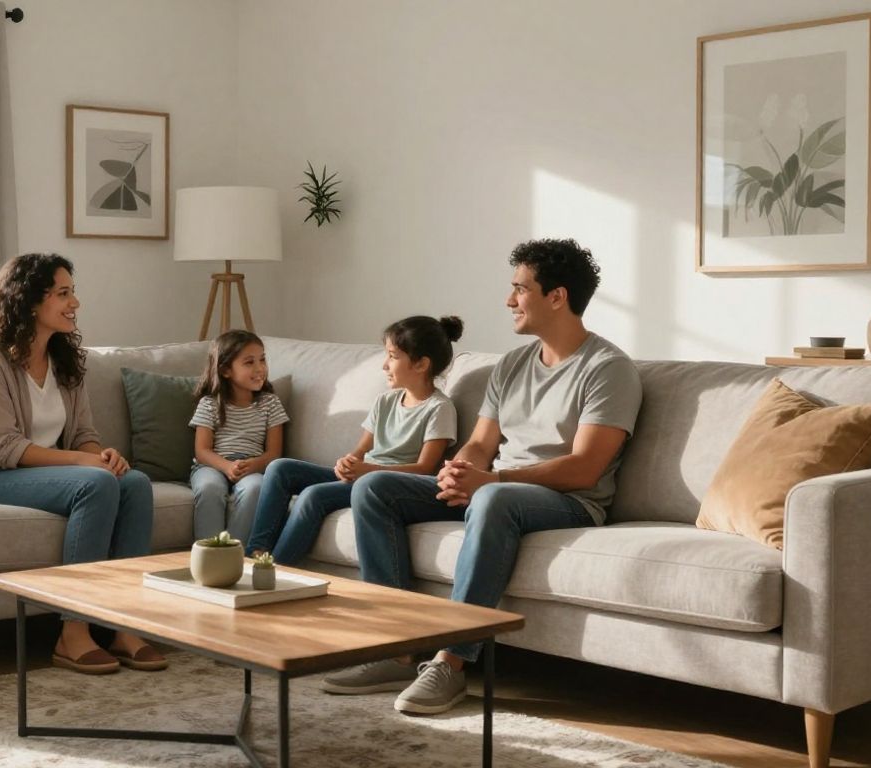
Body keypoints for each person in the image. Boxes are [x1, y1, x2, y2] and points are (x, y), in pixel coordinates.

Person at [323, 238, 642, 715]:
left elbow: (585, 467)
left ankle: (451, 662)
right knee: (374, 487)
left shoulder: (608, 369)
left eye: (520, 289)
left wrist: (492, 483)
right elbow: (481, 442)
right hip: (498, 486)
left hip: (570, 502)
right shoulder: (512, 365)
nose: (509, 300)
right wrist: (461, 469)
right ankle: (396, 648)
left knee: (495, 501)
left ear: (556, 296)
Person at [0, 253, 165, 675]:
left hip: (48, 472)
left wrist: (100, 455)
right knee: (96, 485)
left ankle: (124, 625)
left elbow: (84, 431)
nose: (75, 303)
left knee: (135, 483)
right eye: (63, 294)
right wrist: (87, 465)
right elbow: (6, 448)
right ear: (30, 301)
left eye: (73, 292)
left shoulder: (65, 360)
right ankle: (73, 631)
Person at [247, 315, 463, 564]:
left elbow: (425, 469)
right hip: (362, 475)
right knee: (280, 468)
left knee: (313, 496)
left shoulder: (439, 408)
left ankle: (276, 568)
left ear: (421, 364)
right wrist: (347, 463)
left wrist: (367, 471)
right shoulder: (386, 401)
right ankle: (255, 553)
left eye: (392, 356)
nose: (384, 365)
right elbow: (361, 449)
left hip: (381, 487)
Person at [189, 330, 289, 544]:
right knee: (209, 488)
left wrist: (253, 465)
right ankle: (209, 555)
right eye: (249, 363)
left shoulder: (270, 403)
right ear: (225, 370)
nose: (260, 368)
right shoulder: (209, 403)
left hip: (252, 465)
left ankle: (235, 556)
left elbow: (274, 453)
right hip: (212, 465)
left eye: (262, 360)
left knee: (256, 488)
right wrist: (226, 466)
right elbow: (202, 450)